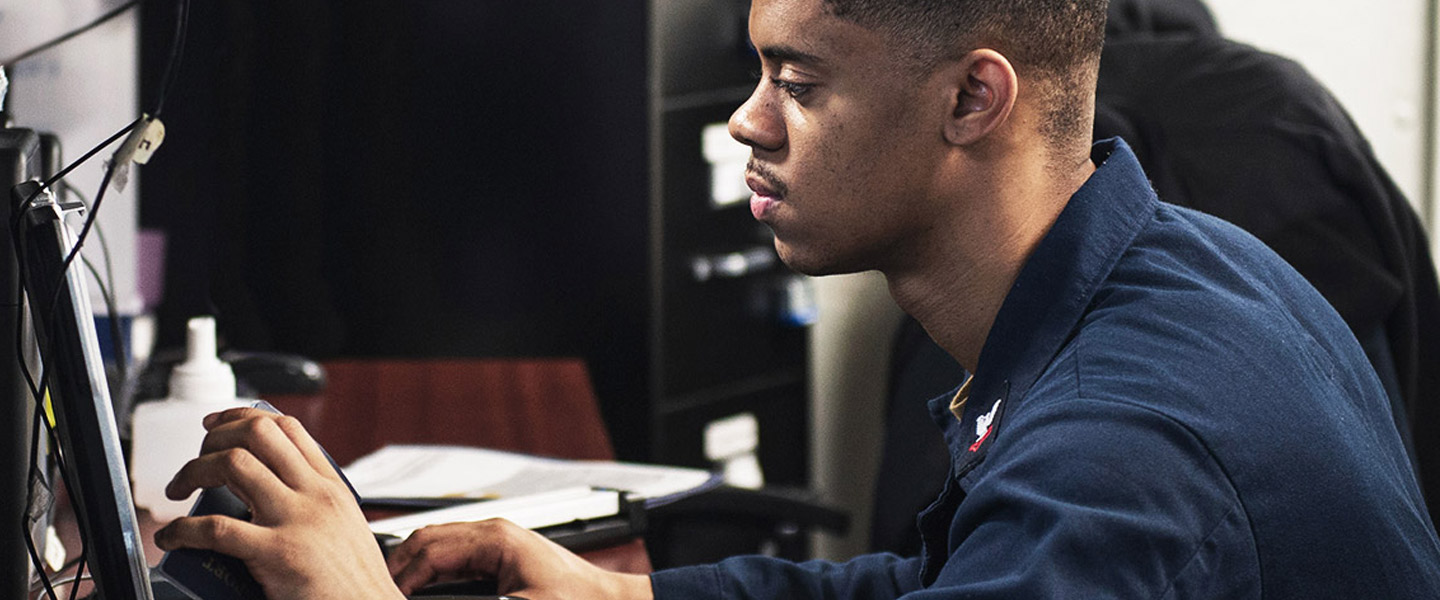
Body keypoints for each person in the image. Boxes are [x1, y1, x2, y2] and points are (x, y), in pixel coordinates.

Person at [155, 0, 1440, 597]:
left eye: (801, 83)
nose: (746, 121)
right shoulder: (1185, 261)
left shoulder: (1118, 459)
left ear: (972, 98)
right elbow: (936, 583)